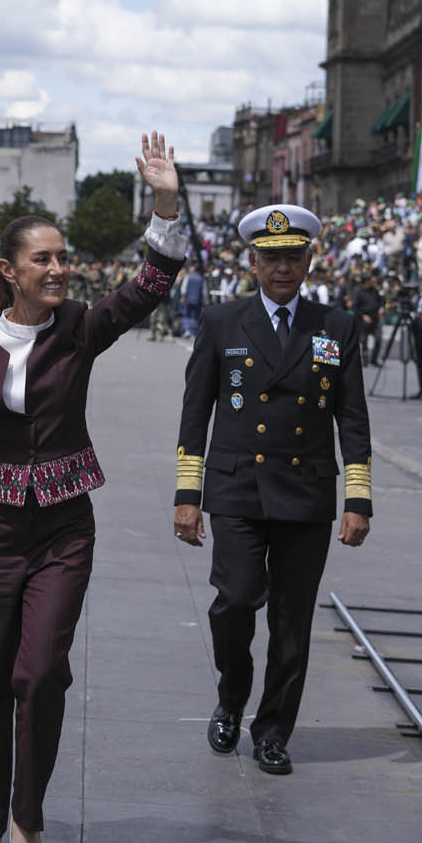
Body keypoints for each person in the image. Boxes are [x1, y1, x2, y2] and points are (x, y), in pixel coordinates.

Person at [0, 133, 185, 843]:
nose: (60, 267)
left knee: (41, 674)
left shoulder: (81, 331)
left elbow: (151, 284)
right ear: (10, 270)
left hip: (65, 529)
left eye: (64, 257)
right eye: (45, 259)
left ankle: (28, 819)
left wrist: (165, 199)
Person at [173, 203, 372, 776]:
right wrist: (188, 493)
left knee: (292, 619)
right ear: (252, 261)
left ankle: (274, 729)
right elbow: (195, 413)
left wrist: (358, 498)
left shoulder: (336, 326)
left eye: (293, 257)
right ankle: (232, 697)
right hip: (236, 486)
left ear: (310, 259)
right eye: (271, 258)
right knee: (234, 601)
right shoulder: (221, 321)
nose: (283, 268)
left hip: (306, 490)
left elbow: (352, 418)